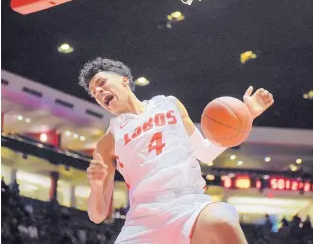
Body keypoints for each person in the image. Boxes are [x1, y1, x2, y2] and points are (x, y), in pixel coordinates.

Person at [78, 58, 274, 244]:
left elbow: (206, 153)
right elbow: (97, 215)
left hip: (189, 206)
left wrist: (247, 114)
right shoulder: (108, 141)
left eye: (102, 83)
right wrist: (96, 186)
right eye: (95, 93)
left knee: (221, 219)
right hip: (143, 222)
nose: (98, 91)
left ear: (124, 80)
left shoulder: (168, 104)